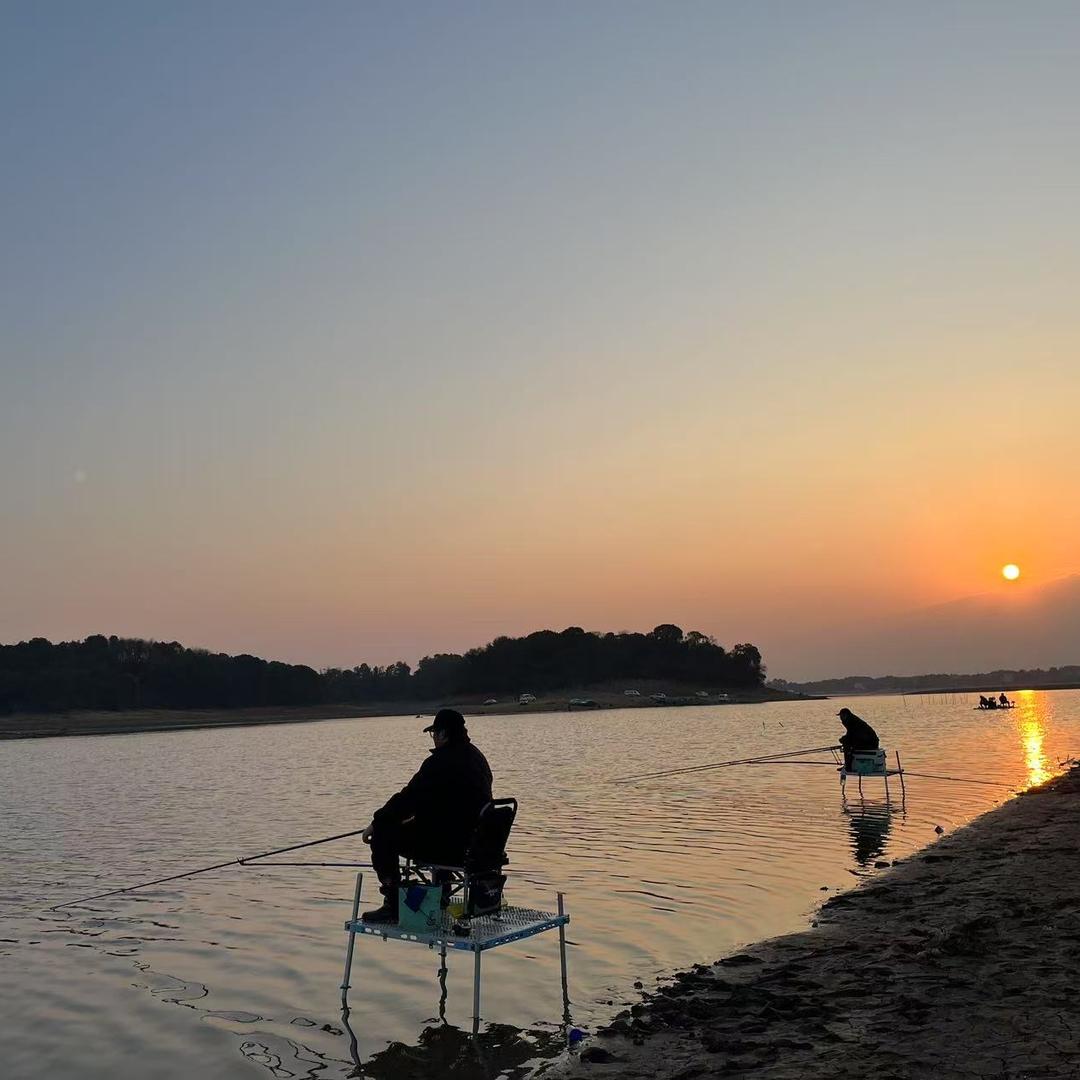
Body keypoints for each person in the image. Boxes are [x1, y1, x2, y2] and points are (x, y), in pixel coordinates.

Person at [359, 708, 493, 924]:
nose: (434, 739)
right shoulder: (477, 758)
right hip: (475, 846)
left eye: (434, 734)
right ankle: (441, 894)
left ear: (443, 734)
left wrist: (377, 822)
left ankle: (393, 904)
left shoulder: (440, 762)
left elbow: (408, 797)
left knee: (384, 835)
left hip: (449, 848)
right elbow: (446, 801)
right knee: (432, 830)